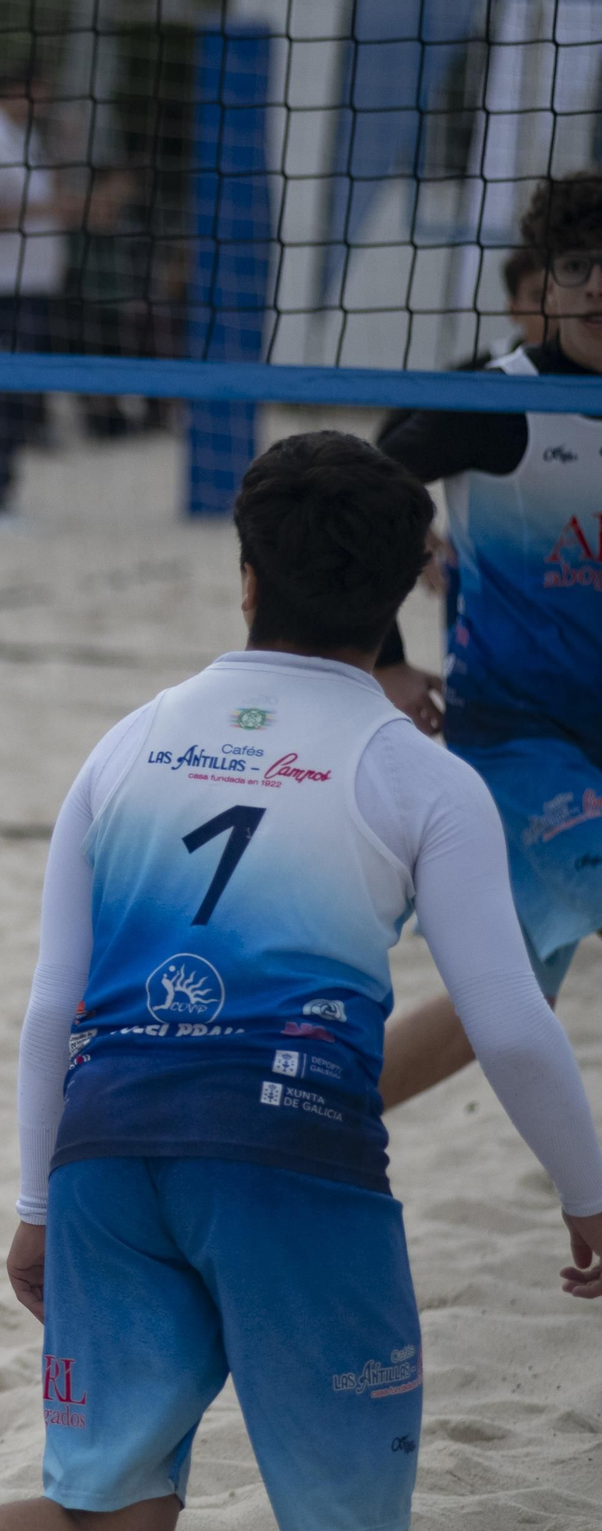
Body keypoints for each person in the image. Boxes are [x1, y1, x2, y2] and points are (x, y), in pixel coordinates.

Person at [0, 431, 602, 1531]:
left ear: (247, 577)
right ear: (401, 593)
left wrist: (35, 1202)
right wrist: (587, 1194)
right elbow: (510, 1024)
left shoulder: (126, 743)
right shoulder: (425, 779)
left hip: (107, 1152)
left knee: (101, 1519)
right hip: (291, 1156)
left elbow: (52, 1006)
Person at [373, 172, 602, 1107]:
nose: (596, 285)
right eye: (577, 265)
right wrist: (383, 659)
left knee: (501, 1009)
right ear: (544, 283)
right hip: (517, 738)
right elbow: (362, 487)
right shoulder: (498, 401)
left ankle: (310, 1115)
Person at [0, 63, 79, 514]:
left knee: (19, 396)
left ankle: (4, 495)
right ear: (15, 90)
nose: (43, 103)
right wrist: (46, 209)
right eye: (37, 93)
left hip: (31, 285)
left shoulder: (25, 136)